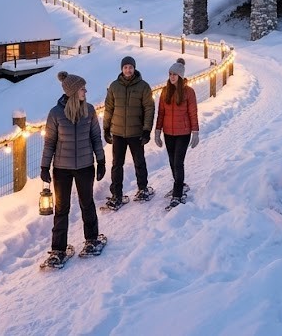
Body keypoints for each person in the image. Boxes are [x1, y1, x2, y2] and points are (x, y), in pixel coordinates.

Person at [41, 71, 106, 265]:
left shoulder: (90, 110)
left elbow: (96, 137)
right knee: (62, 208)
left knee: (87, 203)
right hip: (61, 168)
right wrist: (45, 166)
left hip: (85, 166)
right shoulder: (56, 113)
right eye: (82, 88)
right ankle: (58, 249)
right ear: (72, 91)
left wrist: (101, 161)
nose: (85, 91)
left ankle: (91, 239)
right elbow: (49, 142)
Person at [103, 55, 156, 207]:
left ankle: (143, 188)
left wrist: (146, 130)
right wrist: (106, 128)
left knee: (139, 162)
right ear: (122, 69)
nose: (128, 70)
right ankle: (116, 194)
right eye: (125, 67)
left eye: (130, 67)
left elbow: (149, 109)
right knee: (116, 165)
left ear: (134, 68)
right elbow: (109, 109)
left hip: (136, 133)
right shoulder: (114, 86)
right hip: (118, 133)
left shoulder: (143, 87)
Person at [154, 58, 199, 207]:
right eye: (170, 74)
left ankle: (177, 194)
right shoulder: (165, 91)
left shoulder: (189, 92)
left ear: (180, 76)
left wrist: (195, 132)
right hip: (168, 132)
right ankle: (180, 184)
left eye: (174, 74)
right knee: (172, 162)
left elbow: (193, 113)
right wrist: (157, 131)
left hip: (183, 133)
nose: (172, 76)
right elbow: (160, 113)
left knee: (178, 162)